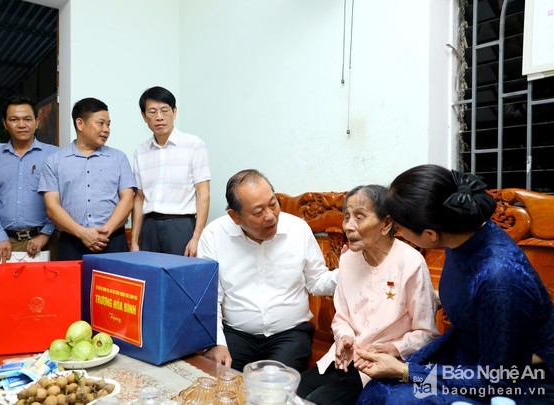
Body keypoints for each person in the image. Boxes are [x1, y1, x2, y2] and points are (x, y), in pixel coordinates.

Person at [354, 164, 554, 404]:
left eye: (400, 229)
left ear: (429, 235)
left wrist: (403, 371)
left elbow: (498, 377)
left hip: (514, 378)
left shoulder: (499, 280)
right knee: (379, 388)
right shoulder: (461, 232)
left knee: (398, 398)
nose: (399, 234)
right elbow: (467, 296)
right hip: (470, 351)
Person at [296, 185, 439, 404]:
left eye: (359, 217)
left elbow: (426, 332)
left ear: (387, 224)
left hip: (382, 365)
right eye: (346, 217)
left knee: (318, 401)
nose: (348, 227)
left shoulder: (410, 263)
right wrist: (344, 337)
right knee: (292, 392)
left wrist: (393, 348)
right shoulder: (347, 260)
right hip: (344, 356)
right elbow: (342, 317)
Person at [197, 169, 339, 372]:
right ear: (235, 217)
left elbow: (317, 281)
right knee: (222, 383)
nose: (270, 216)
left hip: (289, 334)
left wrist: (352, 272)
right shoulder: (214, 235)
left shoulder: (297, 229)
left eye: (273, 204)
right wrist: (217, 343)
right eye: (258, 212)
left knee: (275, 387)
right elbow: (209, 298)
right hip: (236, 334)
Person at [38, 97, 135, 260]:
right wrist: (82, 233)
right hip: (71, 242)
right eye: (101, 123)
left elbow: (127, 199)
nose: (106, 129)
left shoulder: (119, 158)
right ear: (80, 124)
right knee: (72, 286)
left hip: (112, 241)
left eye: (108, 124)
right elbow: (52, 207)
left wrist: (105, 232)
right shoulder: (54, 161)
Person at [130, 86, 210, 257]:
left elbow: (203, 194)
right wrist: (135, 241)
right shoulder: (140, 151)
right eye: (152, 112)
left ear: (174, 112)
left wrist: (196, 237)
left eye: (164, 110)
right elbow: (140, 198)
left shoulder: (194, 145)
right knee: (149, 280)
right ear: (144, 116)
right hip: (149, 227)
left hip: (181, 226)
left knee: (180, 279)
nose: (159, 117)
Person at [0, 96, 59, 264]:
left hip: (46, 241)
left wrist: (45, 234)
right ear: (5, 123)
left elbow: (62, 199)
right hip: (6, 243)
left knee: (46, 290)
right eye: (14, 119)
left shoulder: (54, 155)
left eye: (27, 119)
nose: (22, 125)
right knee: (9, 290)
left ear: (37, 122)